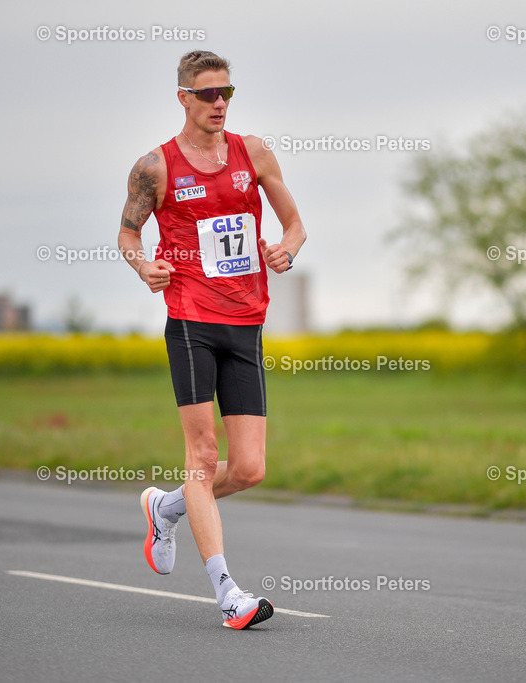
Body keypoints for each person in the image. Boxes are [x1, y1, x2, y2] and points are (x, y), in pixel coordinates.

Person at [117, 50, 306, 629]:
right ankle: (229, 594)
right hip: (191, 322)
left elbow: (295, 224)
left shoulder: (255, 152)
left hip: (246, 321)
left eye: (227, 92)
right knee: (201, 458)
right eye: (207, 94)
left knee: (249, 469)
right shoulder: (156, 167)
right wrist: (141, 264)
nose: (219, 103)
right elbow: (127, 233)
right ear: (183, 98)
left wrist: (286, 249)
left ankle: (165, 508)